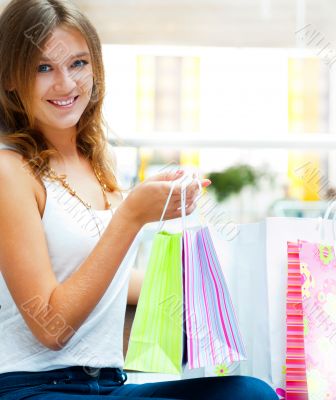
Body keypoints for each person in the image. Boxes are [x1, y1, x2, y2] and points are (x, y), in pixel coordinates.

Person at [0, 0, 278, 399]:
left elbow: (91, 274)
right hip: (34, 386)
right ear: (11, 78)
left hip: (108, 384)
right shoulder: (9, 171)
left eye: (78, 63)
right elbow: (50, 326)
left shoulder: (96, 162)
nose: (66, 83)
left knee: (250, 392)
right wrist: (131, 217)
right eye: (44, 68)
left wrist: (198, 284)